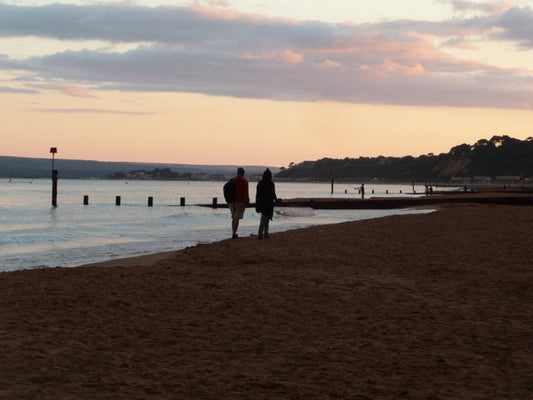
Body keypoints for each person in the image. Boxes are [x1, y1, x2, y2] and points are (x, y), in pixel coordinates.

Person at [255, 168, 277, 239]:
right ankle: (265, 233)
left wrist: (257, 203)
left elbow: (258, 194)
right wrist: (276, 200)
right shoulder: (271, 183)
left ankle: (261, 233)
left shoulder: (260, 183)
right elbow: (273, 193)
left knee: (263, 217)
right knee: (267, 217)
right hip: (269, 203)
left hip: (262, 202)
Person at [229, 167, 249, 239]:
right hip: (240, 201)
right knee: (236, 218)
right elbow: (246, 192)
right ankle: (234, 233)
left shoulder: (233, 180)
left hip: (232, 201)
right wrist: (247, 201)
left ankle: (233, 232)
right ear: (243, 173)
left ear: (237, 172)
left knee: (233, 217)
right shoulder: (244, 181)